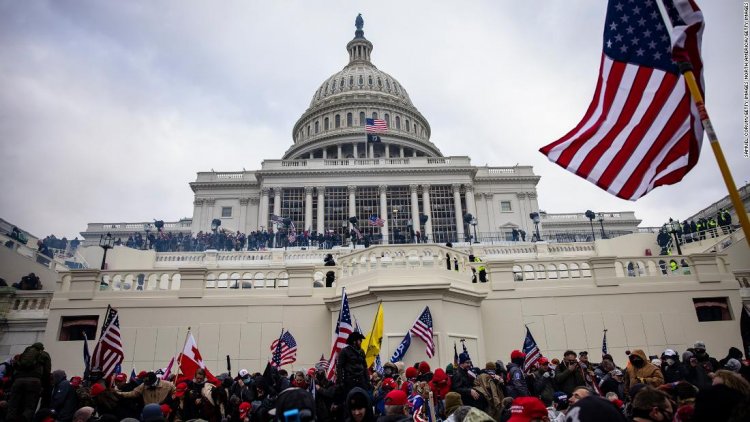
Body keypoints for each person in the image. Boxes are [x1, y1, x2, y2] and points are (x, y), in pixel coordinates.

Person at [7, 342, 52, 422]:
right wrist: (45, 385)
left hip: (18, 380)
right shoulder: (44, 354)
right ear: (41, 348)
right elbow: (47, 372)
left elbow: (16, 367)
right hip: (34, 381)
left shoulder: (24, 354)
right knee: (29, 406)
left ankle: (10, 419)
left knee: (13, 404)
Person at [337, 332, 370, 403]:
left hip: (361, 380)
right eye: (360, 340)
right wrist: (341, 382)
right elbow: (339, 367)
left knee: (364, 400)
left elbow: (365, 367)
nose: (361, 342)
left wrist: (368, 381)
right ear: (354, 341)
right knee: (350, 400)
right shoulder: (344, 351)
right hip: (350, 381)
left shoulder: (362, 351)